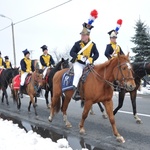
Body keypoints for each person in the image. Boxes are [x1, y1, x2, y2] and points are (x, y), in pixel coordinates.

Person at [70, 21, 99, 100]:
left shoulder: (92, 44)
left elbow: (97, 54)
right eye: (81, 35)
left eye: (83, 35)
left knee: (95, 74)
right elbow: (71, 52)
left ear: (88, 36)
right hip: (78, 63)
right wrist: (79, 57)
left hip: (88, 64)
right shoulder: (77, 44)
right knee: (78, 73)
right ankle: (75, 91)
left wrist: (91, 59)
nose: (82, 36)